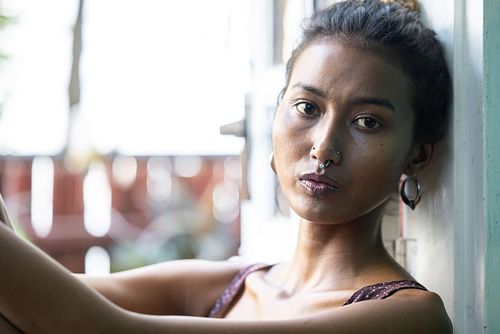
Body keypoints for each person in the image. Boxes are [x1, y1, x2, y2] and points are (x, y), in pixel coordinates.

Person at [0, 0, 452, 332]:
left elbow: (95, 326)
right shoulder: (233, 285)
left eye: (367, 122)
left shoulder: (408, 318)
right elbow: (33, 296)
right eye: (307, 108)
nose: (323, 147)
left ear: (417, 152)